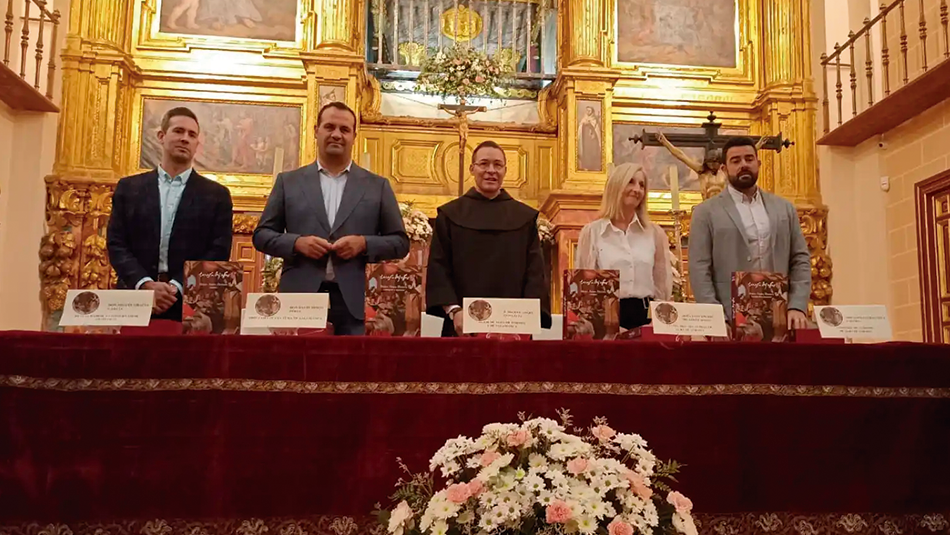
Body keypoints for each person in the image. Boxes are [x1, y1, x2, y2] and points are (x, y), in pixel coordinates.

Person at [253, 102, 409, 335]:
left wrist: (363, 244)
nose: (336, 134)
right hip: (298, 302)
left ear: (354, 136)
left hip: (356, 303)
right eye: (329, 127)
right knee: (297, 371)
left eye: (344, 129)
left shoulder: (377, 186)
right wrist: (296, 243)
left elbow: (400, 243)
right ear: (316, 130)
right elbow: (262, 236)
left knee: (350, 370)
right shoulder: (289, 182)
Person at [107, 107, 234, 322]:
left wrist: (176, 287)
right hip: (133, 298)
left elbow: (218, 250)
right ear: (161, 136)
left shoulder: (216, 195)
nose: (185, 139)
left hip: (189, 303)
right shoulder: (129, 188)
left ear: (197, 145)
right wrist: (144, 284)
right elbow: (116, 243)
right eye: (178, 131)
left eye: (192, 135)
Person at [426, 140, 551, 336]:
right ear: (472, 169)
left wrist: (530, 316)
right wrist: (454, 311)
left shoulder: (524, 218)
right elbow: (438, 267)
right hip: (462, 326)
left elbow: (534, 272)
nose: (491, 170)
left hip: (514, 328)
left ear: (505, 170)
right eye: (484, 164)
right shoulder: (450, 215)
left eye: (498, 165)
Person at [688, 136, 811, 330]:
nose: (743, 165)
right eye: (735, 161)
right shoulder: (706, 212)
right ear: (724, 169)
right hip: (728, 319)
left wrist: (797, 306)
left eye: (749, 159)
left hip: (780, 316)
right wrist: (713, 315)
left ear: (758, 163)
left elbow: (800, 259)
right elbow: (699, 267)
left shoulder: (784, 209)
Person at [576, 162, 672, 330]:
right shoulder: (592, 232)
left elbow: (661, 284)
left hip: (646, 317)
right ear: (616, 186)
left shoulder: (654, 233)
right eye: (631, 182)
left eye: (642, 185)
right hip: (607, 319)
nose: (637, 189)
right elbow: (584, 286)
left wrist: (659, 322)